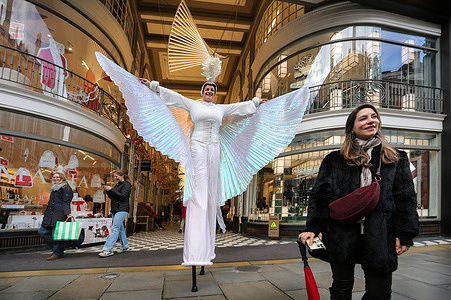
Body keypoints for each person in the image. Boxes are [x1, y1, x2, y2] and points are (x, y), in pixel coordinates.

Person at [139, 78, 268, 266]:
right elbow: (174, 97)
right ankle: (195, 246)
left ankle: (207, 245)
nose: (209, 91)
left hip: (214, 147)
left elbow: (239, 107)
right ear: (202, 92)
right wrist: (154, 86)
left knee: (210, 189)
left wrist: (256, 102)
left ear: (214, 93)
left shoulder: (220, 109)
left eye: (212, 90)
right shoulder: (193, 105)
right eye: (207, 89)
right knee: (199, 188)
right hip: (198, 146)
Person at [299, 103, 419, 300]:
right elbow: (320, 196)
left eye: (374, 116)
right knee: (341, 289)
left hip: (381, 235)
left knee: (379, 294)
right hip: (342, 233)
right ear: (351, 128)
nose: (371, 120)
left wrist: (405, 234)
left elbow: (405, 199)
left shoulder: (395, 158)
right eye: (363, 118)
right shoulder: (334, 160)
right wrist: (314, 226)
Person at [38, 172, 73, 260]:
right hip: (50, 214)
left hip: (60, 214)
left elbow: (66, 201)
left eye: (57, 177)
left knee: (56, 235)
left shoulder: (66, 188)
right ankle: (56, 249)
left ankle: (58, 252)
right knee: (42, 231)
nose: (55, 179)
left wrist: (67, 213)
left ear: (62, 178)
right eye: (54, 177)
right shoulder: (54, 188)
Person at [98, 169, 131, 257]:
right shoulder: (117, 185)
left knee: (115, 228)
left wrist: (111, 189)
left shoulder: (127, 185)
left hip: (122, 209)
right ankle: (125, 245)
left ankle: (108, 249)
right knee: (120, 228)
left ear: (122, 176)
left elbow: (122, 196)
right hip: (115, 209)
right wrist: (108, 191)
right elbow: (113, 196)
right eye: (114, 176)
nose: (115, 178)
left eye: (116, 176)